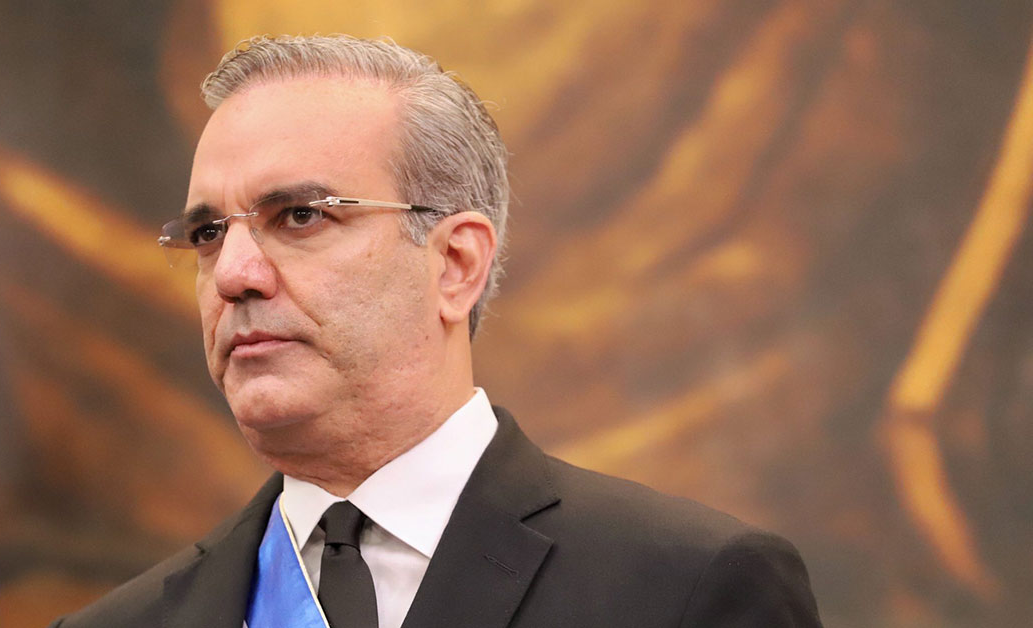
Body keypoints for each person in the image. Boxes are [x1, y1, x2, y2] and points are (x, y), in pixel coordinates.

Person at [52, 34, 822, 628]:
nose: (233, 274)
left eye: (301, 216)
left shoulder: (687, 590)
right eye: (208, 234)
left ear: (455, 263)